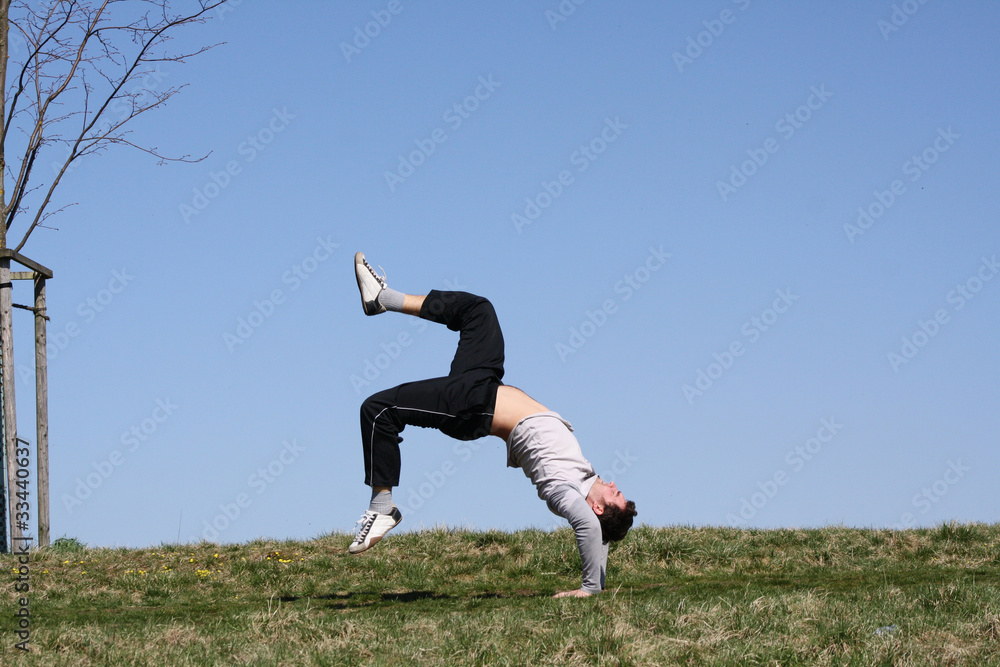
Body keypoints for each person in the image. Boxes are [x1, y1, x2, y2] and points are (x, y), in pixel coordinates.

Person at [350, 252, 637, 597]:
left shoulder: (565, 491)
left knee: (378, 409)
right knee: (478, 310)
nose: (614, 484)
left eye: (615, 494)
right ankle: (383, 300)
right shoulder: (584, 475)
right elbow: (601, 535)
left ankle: (382, 508)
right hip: (484, 384)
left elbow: (590, 528)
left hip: (471, 406)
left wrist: (590, 588)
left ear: (599, 507)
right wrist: (601, 575)